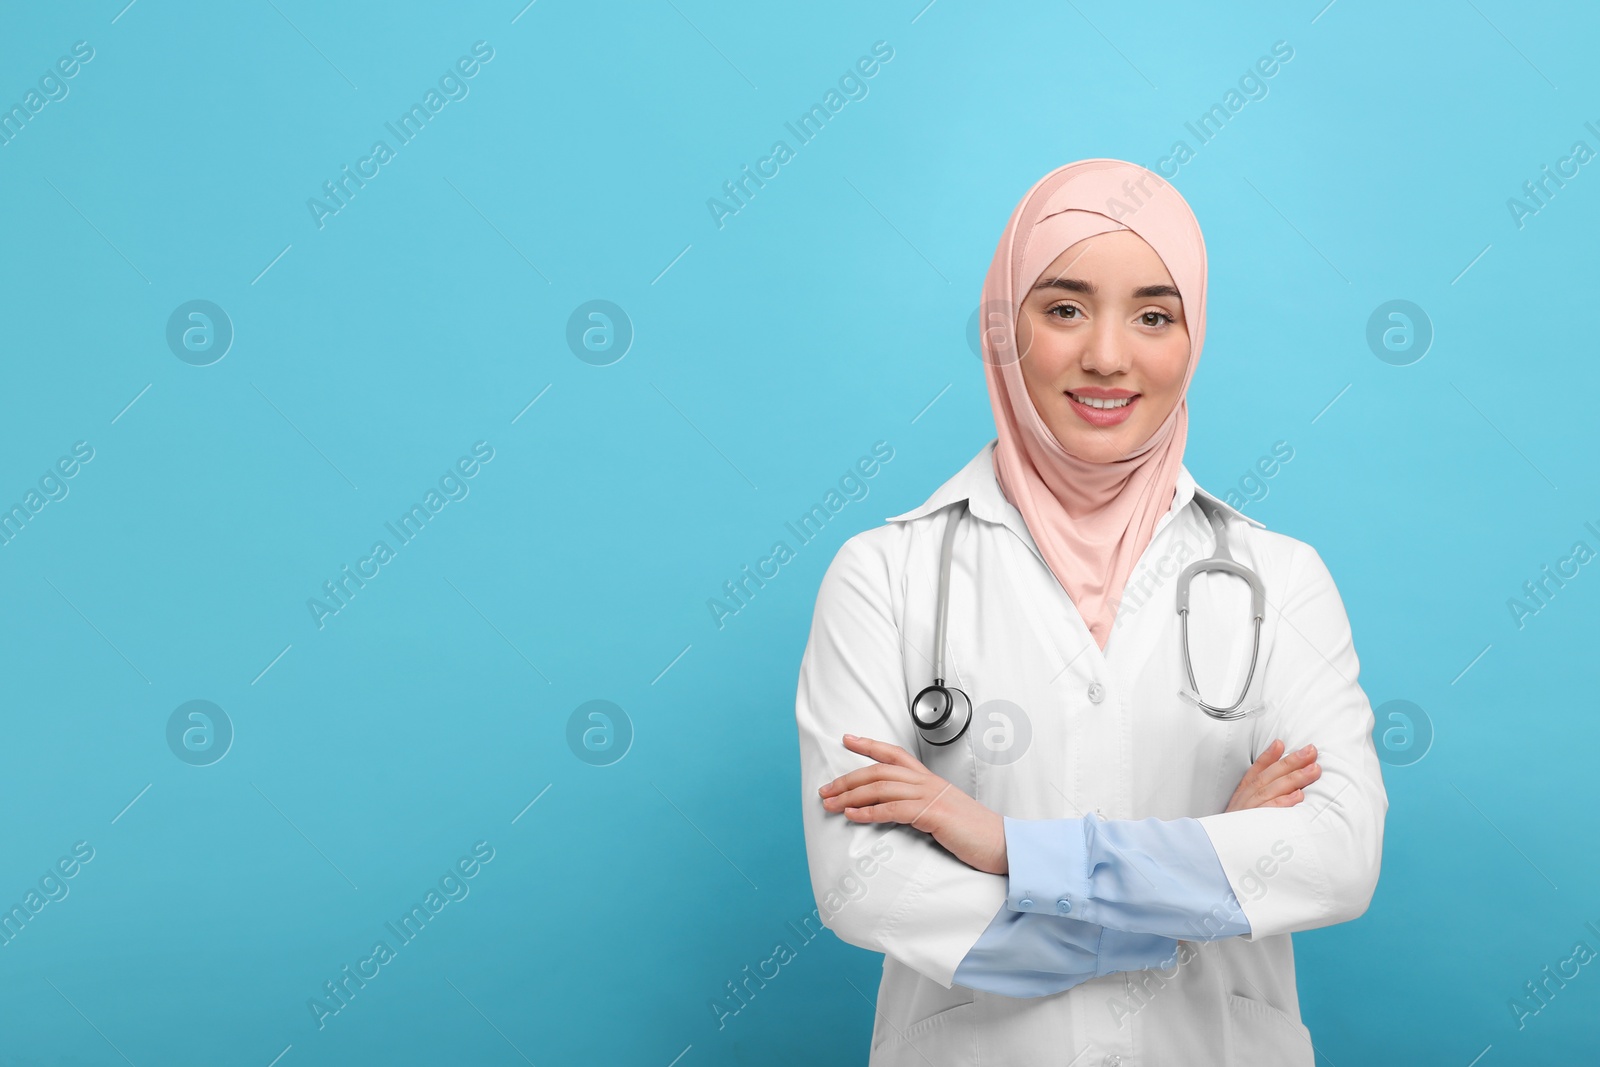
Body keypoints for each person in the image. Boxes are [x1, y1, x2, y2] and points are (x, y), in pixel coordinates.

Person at [794, 158, 1387, 1066]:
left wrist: (1007, 850)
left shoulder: (1280, 578)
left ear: (1196, 335)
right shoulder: (885, 573)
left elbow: (1337, 857)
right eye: (1064, 308)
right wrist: (1206, 866)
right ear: (1006, 326)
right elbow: (865, 885)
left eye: (1154, 314)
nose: (1108, 355)